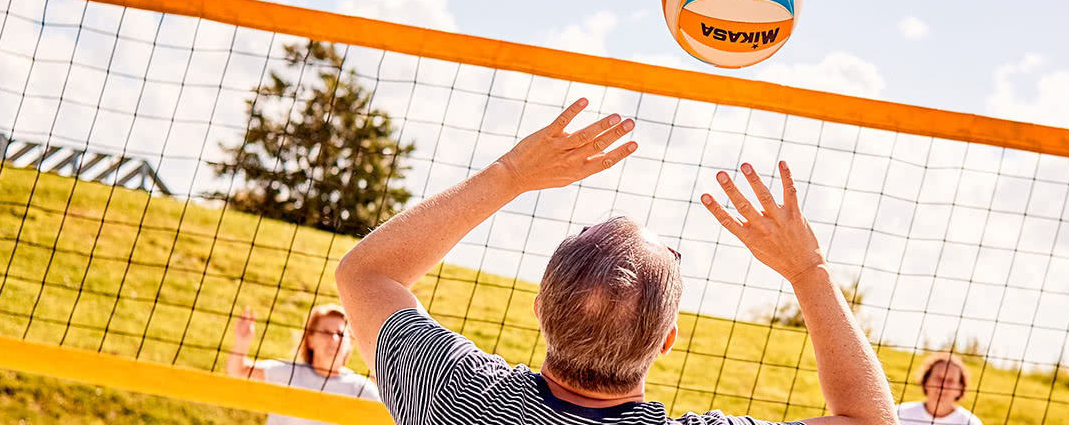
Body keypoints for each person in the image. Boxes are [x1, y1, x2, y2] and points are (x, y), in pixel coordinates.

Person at [336, 98, 896, 425]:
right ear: (667, 340)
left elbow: (366, 273)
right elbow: (869, 421)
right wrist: (808, 272)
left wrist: (510, 175)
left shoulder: (456, 400)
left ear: (540, 310)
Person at [228, 303, 381, 425]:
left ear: (350, 344)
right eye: (327, 332)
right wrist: (242, 342)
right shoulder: (290, 373)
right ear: (310, 340)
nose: (334, 339)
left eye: (341, 334)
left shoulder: (361, 389)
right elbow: (239, 371)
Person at [894, 353, 981, 425]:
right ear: (926, 381)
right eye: (938, 378)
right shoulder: (898, 413)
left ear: (960, 388)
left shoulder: (970, 422)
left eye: (950, 381)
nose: (943, 385)